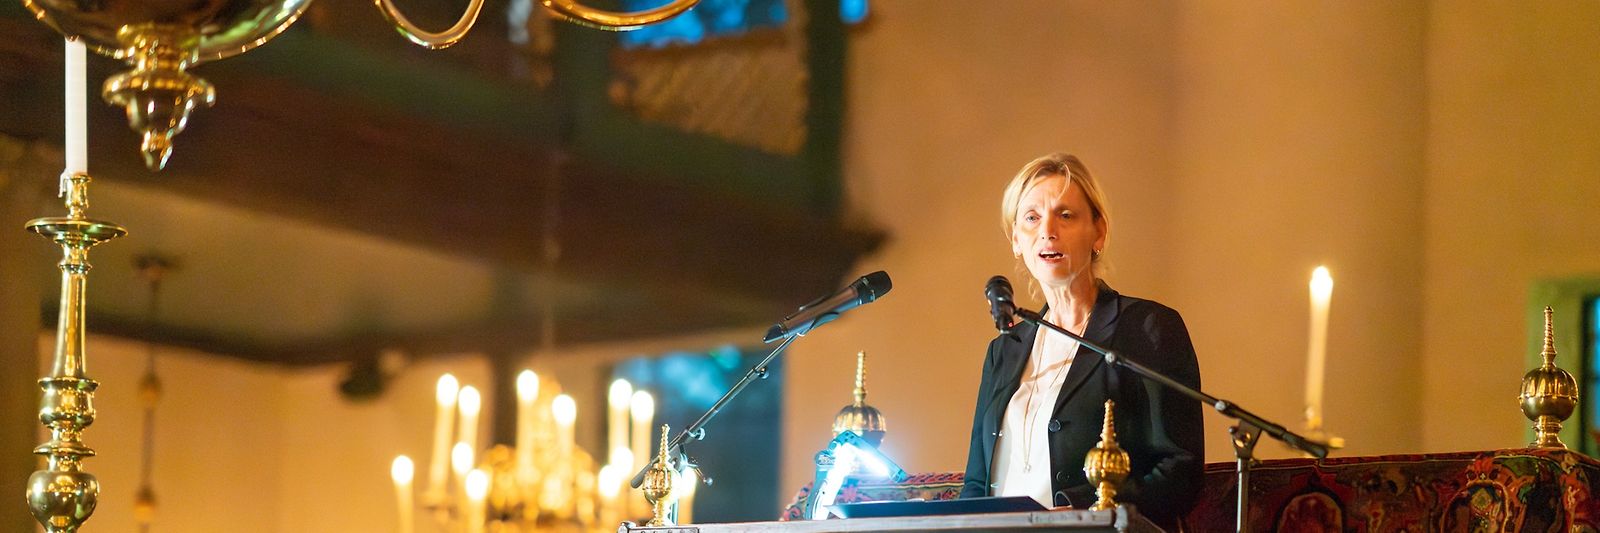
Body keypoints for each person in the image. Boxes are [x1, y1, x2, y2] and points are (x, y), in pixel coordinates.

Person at [961, 153, 1204, 528]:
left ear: (1098, 232)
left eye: (1065, 215)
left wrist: (1085, 511)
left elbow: (1179, 471)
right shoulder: (1004, 349)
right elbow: (976, 484)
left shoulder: (1147, 328)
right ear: (1016, 240)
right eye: (1031, 218)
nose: (1047, 230)